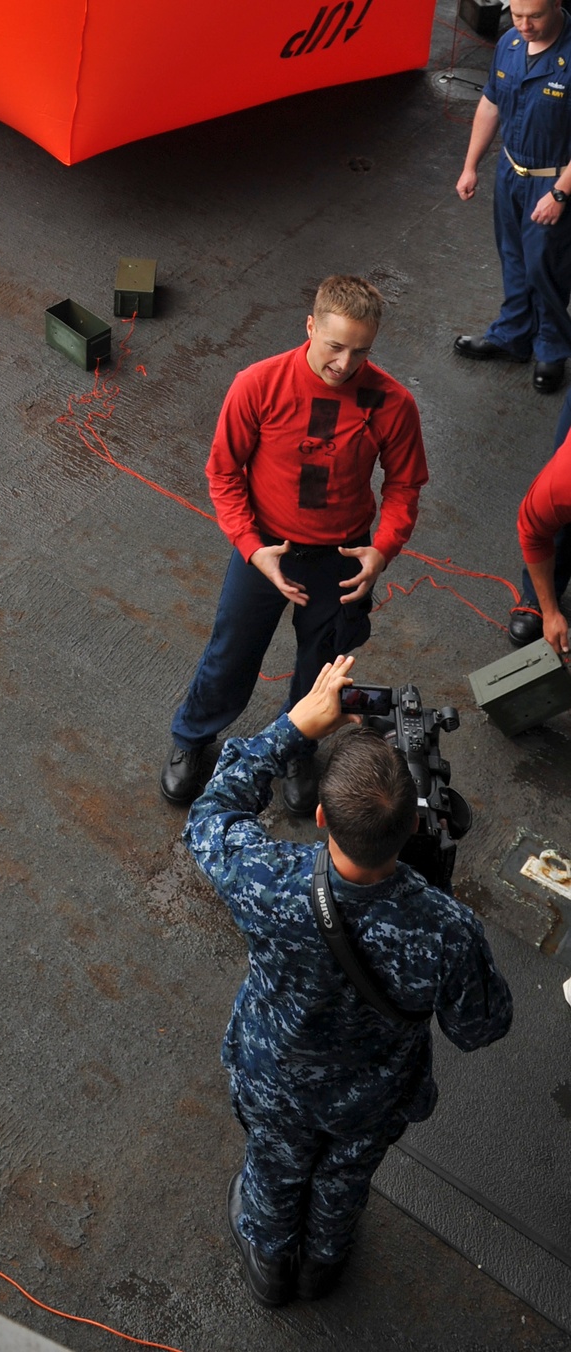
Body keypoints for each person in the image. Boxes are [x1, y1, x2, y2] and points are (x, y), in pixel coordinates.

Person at [184, 655, 512, 1307]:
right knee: (346, 1175)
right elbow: (481, 1027)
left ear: (326, 819)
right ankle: (323, 1261)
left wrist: (296, 728)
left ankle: (270, 1261)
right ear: (415, 824)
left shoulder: (268, 883)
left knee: (276, 1165)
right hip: (373, 1095)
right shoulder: (446, 930)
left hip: (279, 1075)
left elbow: (210, 815)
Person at [160, 276, 428, 816]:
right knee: (231, 651)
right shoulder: (257, 384)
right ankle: (193, 737)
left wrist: (382, 550)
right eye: (334, 346)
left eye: (361, 351)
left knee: (322, 665)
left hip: (342, 560)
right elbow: (223, 473)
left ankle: (298, 747)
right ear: (310, 326)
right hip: (266, 550)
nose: (344, 365)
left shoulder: (392, 403)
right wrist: (252, 547)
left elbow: (404, 485)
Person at [454, 0, 571, 395]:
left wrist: (560, 192)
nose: (524, 25)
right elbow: (491, 102)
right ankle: (514, 335)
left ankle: (552, 349)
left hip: (554, 179)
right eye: (517, 15)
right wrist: (471, 165)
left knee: (546, 266)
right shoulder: (509, 43)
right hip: (511, 171)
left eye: (534, 16)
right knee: (514, 257)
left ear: (556, 5)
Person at [508, 391, 571, 651]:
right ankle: (539, 597)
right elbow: (534, 534)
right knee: (560, 522)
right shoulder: (562, 485)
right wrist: (551, 611)